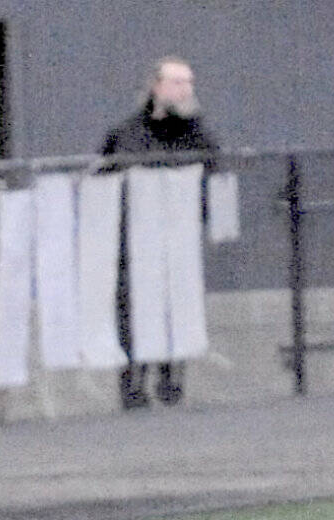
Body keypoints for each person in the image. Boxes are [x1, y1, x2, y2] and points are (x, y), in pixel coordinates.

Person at [101, 56, 219, 409]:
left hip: (178, 241)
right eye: (177, 82)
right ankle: (133, 384)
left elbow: (214, 182)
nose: (186, 90)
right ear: (157, 86)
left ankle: (172, 382)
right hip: (134, 243)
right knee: (133, 309)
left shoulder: (200, 136)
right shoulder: (127, 134)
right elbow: (103, 179)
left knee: (176, 306)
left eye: (189, 82)